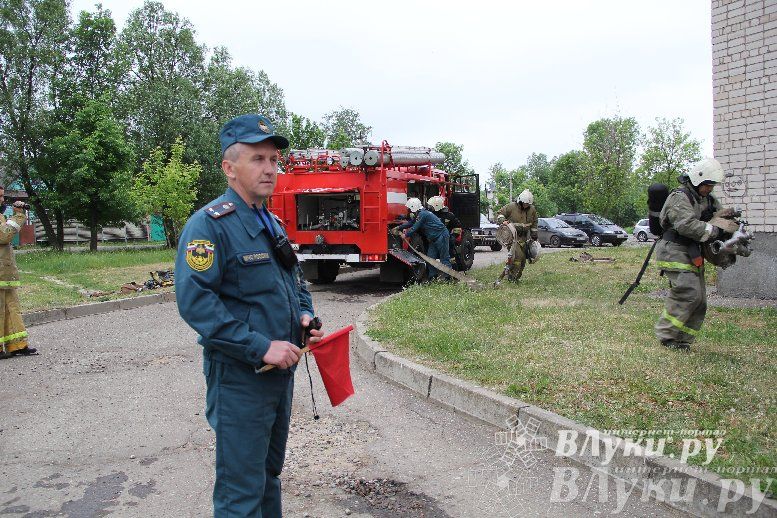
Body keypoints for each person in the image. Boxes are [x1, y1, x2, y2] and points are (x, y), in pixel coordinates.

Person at [174, 114, 323, 517]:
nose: (270, 169)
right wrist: (260, 346)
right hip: (241, 378)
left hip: (279, 373)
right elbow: (196, 302)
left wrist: (305, 316)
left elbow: (295, 282)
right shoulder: (209, 226)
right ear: (229, 167)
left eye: (274, 160)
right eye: (258, 159)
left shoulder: (270, 223)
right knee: (240, 493)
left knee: (268, 476)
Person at [654, 158, 727, 350]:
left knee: (700, 299)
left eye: (712, 185)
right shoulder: (679, 197)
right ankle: (666, 335)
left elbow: (720, 215)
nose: (709, 189)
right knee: (689, 292)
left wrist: (730, 224)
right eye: (707, 185)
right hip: (673, 250)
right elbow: (686, 225)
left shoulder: (707, 199)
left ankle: (683, 340)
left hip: (693, 251)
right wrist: (715, 230)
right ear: (697, 179)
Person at [0, 187, 34, 360]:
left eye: (2, 196)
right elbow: (4, 236)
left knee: (12, 308)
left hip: (4, 273)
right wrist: (19, 216)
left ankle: (17, 344)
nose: (2, 200)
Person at [393, 197, 451, 280]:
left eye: (410, 208)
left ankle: (447, 278)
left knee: (444, 258)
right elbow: (411, 223)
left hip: (441, 236)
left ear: (413, 207)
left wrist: (405, 235)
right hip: (433, 239)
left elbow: (415, 227)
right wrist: (399, 227)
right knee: (430, 258)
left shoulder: (423, 214)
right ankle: (432, 277)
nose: (409, 210)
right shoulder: (420, 214)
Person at [496, 189, 538, 282]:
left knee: (523, 260)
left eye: (528, 204)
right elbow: (499, 214)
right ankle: (511, 277)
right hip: (513, 237)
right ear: (520, 201)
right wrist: (503, 221)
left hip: (524, 238)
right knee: (517, 257)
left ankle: (516, 277)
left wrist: (534, 234)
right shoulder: (511, 207)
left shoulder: (532, 210)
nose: (526, 205)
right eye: (525, 203)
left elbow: (534, 222)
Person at [427, 195, 463, 265]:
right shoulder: (430, 215)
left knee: (449, 257)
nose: (430, 207)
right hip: (433, 240)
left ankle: (452, 268)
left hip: (446, 240)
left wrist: (453, 237)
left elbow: (457, 227)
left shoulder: (449, 215)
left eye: (431, 206)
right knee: (431, 257)